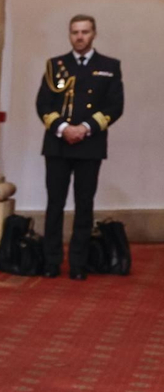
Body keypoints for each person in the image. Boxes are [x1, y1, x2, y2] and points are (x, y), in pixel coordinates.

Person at [36, 14, 123, 280]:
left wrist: (84, 128)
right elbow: (43, 104)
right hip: (58, 145)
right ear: (69, 34)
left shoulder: (109, 66)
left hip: (90, 145)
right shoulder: (56, 65)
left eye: (85, 32)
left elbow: (115, 106)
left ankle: (78, 263)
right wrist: (64, 128)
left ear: (94, 33)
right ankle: (51, 261)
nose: (80, 37)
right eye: (75, 32)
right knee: (55, 204)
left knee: (84, 205)